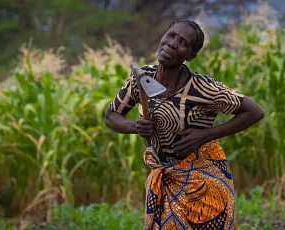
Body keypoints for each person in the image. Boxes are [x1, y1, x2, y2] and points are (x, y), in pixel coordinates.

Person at [105, 19, 264, 230]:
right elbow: (111, 116)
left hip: (205, 183)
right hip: (166, 178)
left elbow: (254, 111)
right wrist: (135, 126)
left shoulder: (204, 88)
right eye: (171, 35)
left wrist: (205, 135)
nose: (172, 43)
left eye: (183, 43)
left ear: (190, 56)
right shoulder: (142, 79)